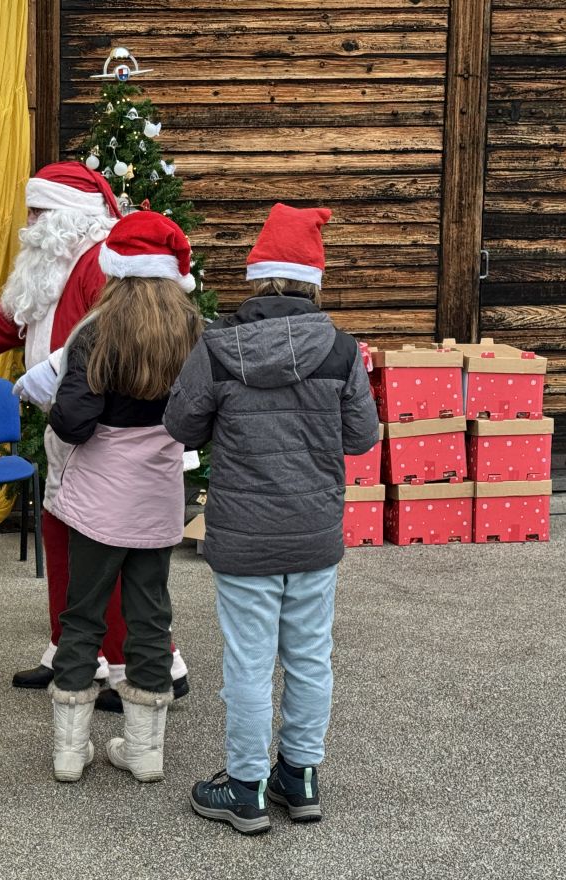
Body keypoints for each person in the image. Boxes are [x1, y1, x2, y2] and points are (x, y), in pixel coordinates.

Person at [163, 203, 379, 834]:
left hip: (243, 532)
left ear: (257, 277)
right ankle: (301, 777)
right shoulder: (340, 352)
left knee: (249, 662)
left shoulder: (217, 347)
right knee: (311, 657)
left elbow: (181, 425)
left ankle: (247, 787)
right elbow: (361, 438)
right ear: (314, 280)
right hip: (313, 530)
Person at [0, 161, 190, 707]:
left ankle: (151, 664)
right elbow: (5, 321)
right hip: (64, 420)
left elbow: (111, 340)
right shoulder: (52, 265)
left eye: (39, 212)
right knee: (62, 538)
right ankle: (72, 655)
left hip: (104, 429)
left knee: (107, 547)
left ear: (68, 215)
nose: (30, 223)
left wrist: (57, 383)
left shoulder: (98, 264)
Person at [46, 212, 202, 785]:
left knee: (82, 613)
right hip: (158, 493)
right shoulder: (192, 331)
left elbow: (75, 423)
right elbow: (197, 418)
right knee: (150, 615)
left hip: (99, 497)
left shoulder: (95, 332)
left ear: (115, 269)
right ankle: (145, 753)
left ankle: (69, 753)